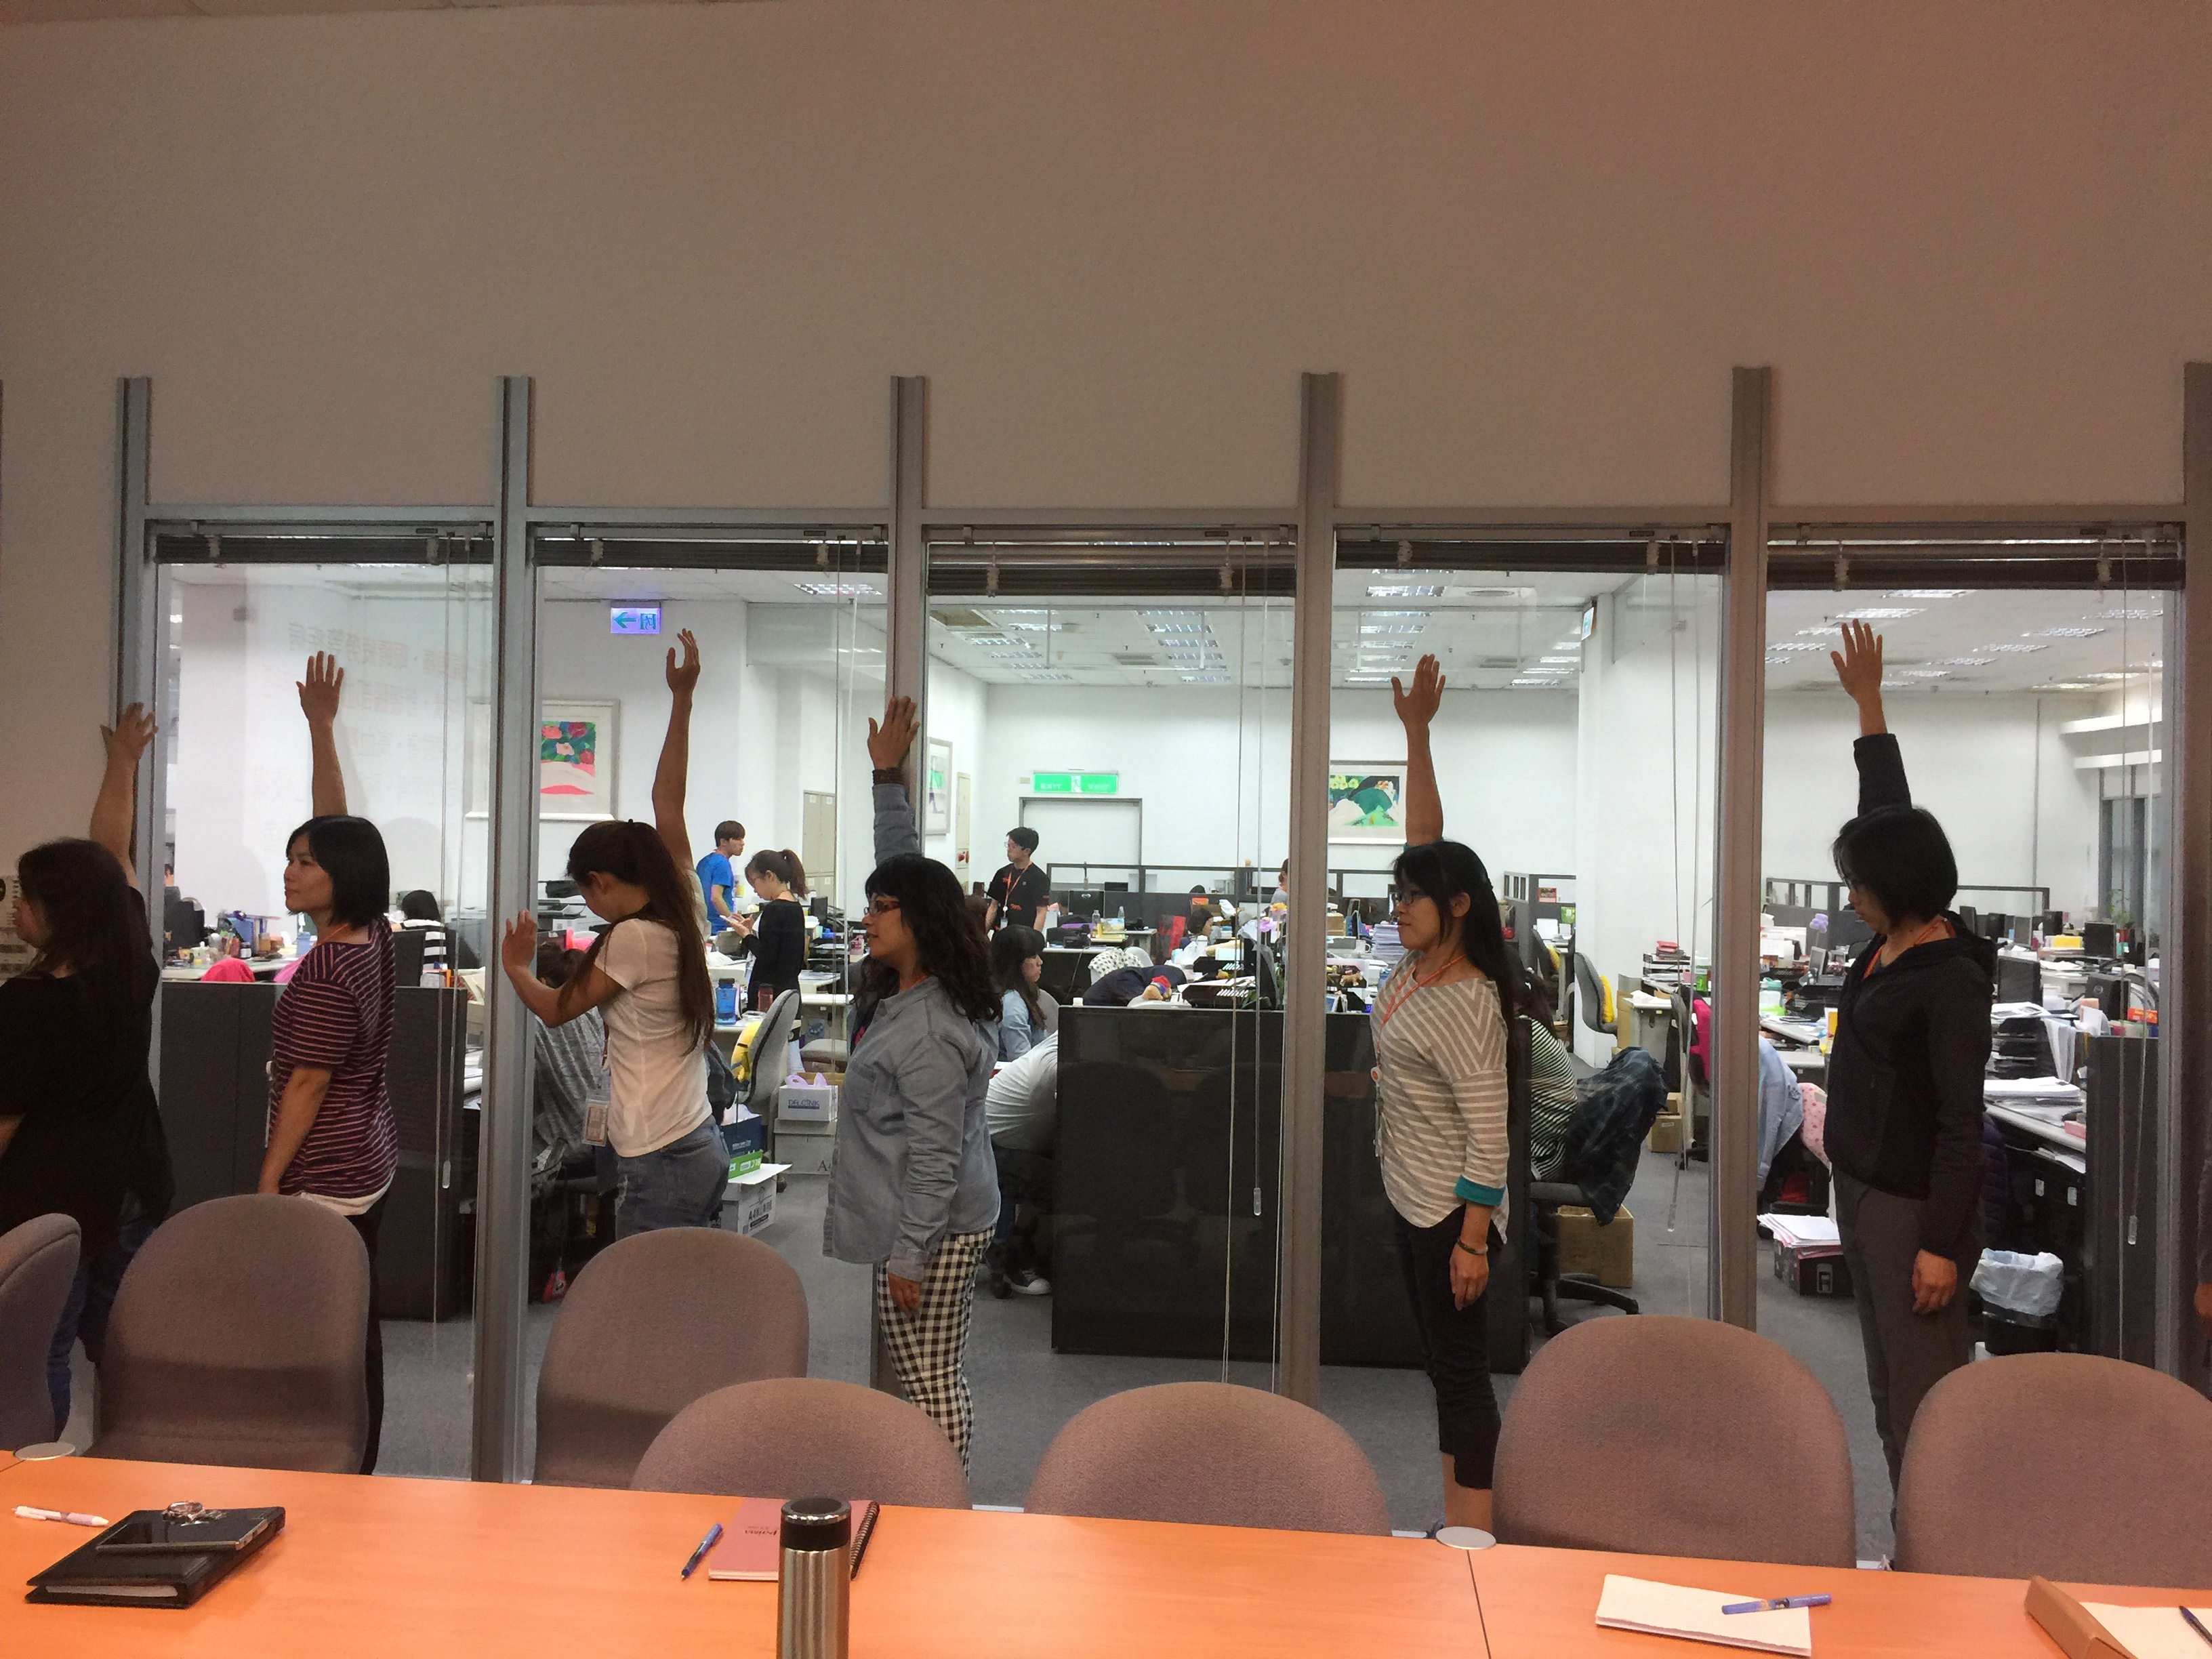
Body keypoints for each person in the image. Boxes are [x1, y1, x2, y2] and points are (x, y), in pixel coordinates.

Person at [1824, 619, 1993, 1505]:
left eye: (1859, 883)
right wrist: (1869, 707)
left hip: (1909, 1210)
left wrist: (1939, 1246)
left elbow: (1964, 1124)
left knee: (1923, 1404)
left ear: (1898, 887)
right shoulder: (1893, 936)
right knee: (1887, 1392)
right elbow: (1886, 813)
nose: (1851, 895)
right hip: (1859, 1189)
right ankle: (1909, 1551)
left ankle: (1936, 1550)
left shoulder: (1949, 977)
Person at [501, 631, 724, 1240]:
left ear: (598, 881)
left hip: (660, 1152)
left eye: (586, 892)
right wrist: (682, 699)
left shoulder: (634, 938)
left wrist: (516, 967)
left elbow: (556, 1010)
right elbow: (668, 801)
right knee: (679, 1284)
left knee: (647, 1292)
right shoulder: (683, 906)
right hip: (694, 1137)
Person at [826, 695, 1000, 1471]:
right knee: (928, 1374)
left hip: (934, 1223)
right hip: (933, 1216)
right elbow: (905, 870)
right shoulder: (915, 982)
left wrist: (909, 1255)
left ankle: (943, 1509)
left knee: (928, 1384)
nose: (868, 918)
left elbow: (934, 1157)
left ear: (919, 922)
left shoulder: (929, 1030)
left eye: (880, 909)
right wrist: (885, 781)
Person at [0, 704, 175, 1439]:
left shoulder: (26, 1004)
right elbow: (112, 857)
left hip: (51, 1201)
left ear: (57, 914)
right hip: (131, 1183)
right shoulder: (132, 969)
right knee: (123, 1341)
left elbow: (5, 1123)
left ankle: (35, 1473)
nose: (16, 908)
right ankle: (129, 1463)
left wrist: (124, 764)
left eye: (26, 897)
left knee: (42, 1347)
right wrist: (123, 765)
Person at [1376, 653, 1513, 1533]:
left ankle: (1475, 1537)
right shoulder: (1421, 963)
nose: (1398, 907)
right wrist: (1417, 736)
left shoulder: (1465, 999)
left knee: (1460, 1377)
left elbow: (1490, 1136)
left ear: (1457, 906)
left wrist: (1471, 1240)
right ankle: (1456, 1524)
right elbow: (1427, 845)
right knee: (1441, 1368)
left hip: (1445, 1214)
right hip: (1414, 1195)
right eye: (1396, 894)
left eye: (1413, 899)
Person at [263, 652, 400, 1474]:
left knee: (327, 1331)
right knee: (355, 1319)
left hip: (324, 1172)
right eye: (291, 857)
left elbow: (307, 1083)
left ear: (339, 877)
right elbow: (339, 825)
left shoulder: (324, 969)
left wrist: (269, 1181)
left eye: (306, 863)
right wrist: (321, 728)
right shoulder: (372, 936)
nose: (291, 872)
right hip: (367, 1156)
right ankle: (356, 1455)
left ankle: (344, 1463)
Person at [984, 1029, 1057, 1298]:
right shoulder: (1052, 1066)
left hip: (1012, 1140)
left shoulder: (1060, 1047)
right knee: (1066, 1180)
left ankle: (1017, 1237)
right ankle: (1007, 1252)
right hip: (990, 1146)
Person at [530, 941, 602, 1159]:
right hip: (600, 1143)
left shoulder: (537, 1023)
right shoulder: (592, 1011)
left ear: (541, 983)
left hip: (562, 1150)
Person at [735, 848, 808, 1011]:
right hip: (790, 992)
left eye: (754, 882)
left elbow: (767, 956)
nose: (755, 890)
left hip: (770, 994)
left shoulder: (774, 910)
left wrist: (746, 936)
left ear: (769, 876)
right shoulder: (796, 907)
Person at [993, 924, 1050, 1059]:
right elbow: (1021, 1061)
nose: (1040, 962)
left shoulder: (1018, 995)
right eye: (1033, 956)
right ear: (1015, 961)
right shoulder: (1013, 1004)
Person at [396, 888, 480, 970]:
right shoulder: (450, 936)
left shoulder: (402, 934)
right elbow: (472, 966)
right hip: (444, 978)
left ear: (407, 912)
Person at [985, 827, 1049, 932]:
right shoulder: (1002, 873)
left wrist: (1034, 938)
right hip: (1000, 933)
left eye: (1013, 846)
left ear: (1026, 851)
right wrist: (983, 934)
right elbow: (993, 906)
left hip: (1023, 935)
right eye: (1008, 845)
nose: (1008, 849)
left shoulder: (1039, 878)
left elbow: (1041, 911)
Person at [697, 820, 746, 934]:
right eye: (738, 839)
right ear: (723, 842)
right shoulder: (722, 863)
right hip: (717, 928)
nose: (742, 843)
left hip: (702, 927)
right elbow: (716, 898)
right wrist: (733, 922)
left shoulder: (704, 862)